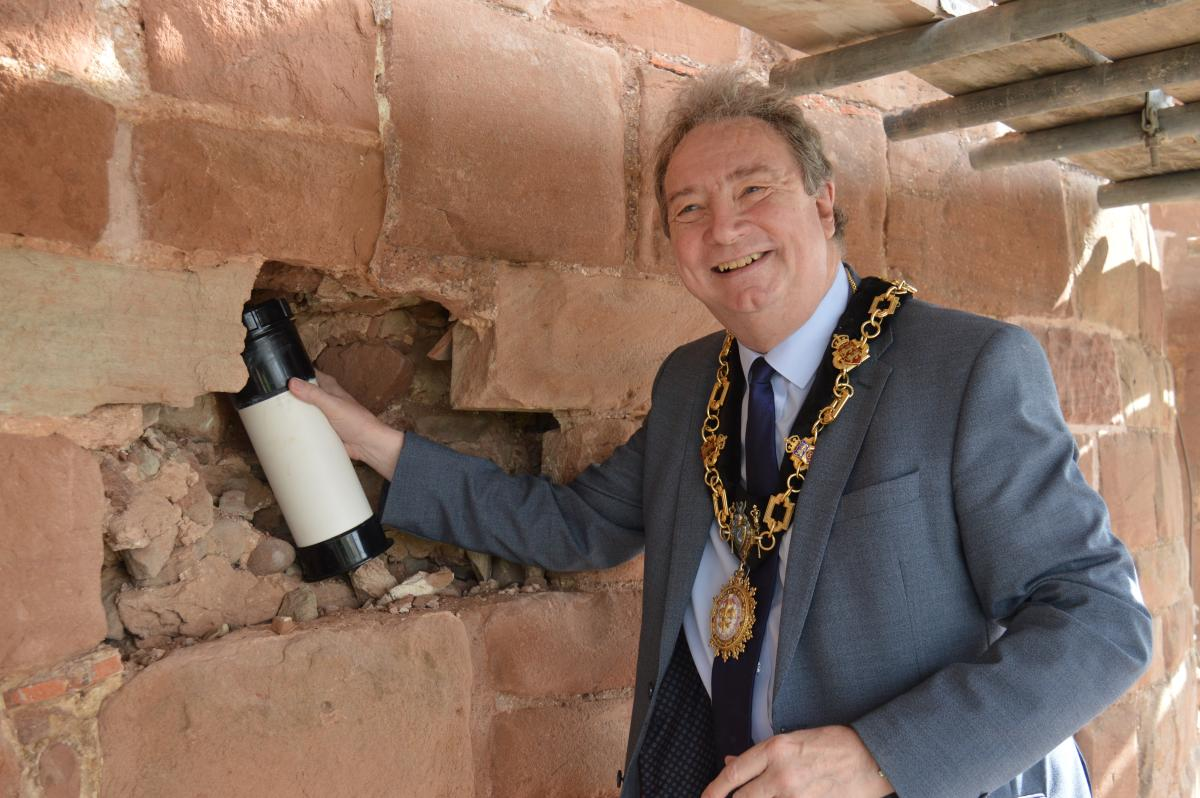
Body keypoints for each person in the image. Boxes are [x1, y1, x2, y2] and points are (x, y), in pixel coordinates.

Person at [289, 68, 1151, 798]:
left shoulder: (967, 366)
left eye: (752, 190)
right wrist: (373, 443)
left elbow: (1101, 621)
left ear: (823, 202)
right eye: (688, 209)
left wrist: (877, 758)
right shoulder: (688, 381)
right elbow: (575, 527)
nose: (723, 229)